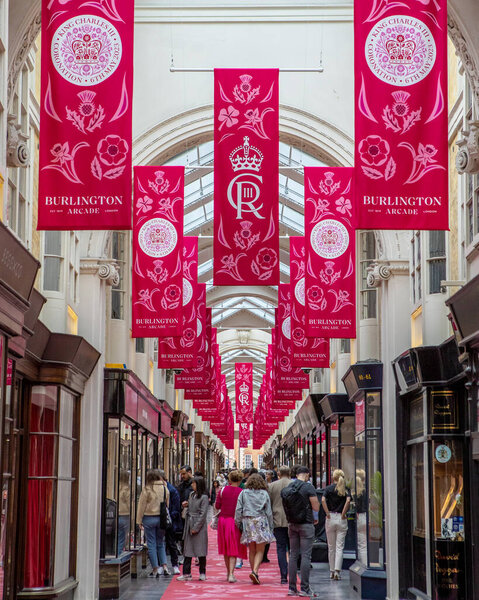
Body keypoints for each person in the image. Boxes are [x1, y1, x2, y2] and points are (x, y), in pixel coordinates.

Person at [282, 466, 320, 598]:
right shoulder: (308, 487)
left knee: (293, 555)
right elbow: (316, 507)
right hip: (306, 524)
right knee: (305, 556)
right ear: (307, 475)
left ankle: (292, 588)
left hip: (292, 524)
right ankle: (304, 588)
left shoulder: (289, 488)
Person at [235, 473, 275, 585]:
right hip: (261, 521)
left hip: (248, 521)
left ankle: (254, 572)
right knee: (260, 549)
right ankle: (255, 571)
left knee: (251, 549)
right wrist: (271, 527)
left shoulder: (243, 493)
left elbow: (238, 509)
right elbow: (268, 512)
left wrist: (238, 522)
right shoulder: (264, 493)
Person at [136, 470, 171, 578]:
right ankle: (165, 566)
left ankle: (155, 568)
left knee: (151, 544)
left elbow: (141, 506)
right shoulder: (165, 489)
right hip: (161, 519)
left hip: (149, 518)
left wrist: (138, 520)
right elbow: (167, 505)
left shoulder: (147, 489)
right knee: (160, 543)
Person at [216, 470, 247, 583]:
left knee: (225, 548)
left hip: (223, 521)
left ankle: (228, 572)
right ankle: (231, 574)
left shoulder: (222, 490)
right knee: (233, 548)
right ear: (239, 480)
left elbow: (217, 505)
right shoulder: (242, 492)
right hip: (234, 521)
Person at [322, 468, 352, 581]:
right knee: (340, 546)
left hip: (330, 518)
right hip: (341, 518)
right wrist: (344, 513)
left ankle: (331, 571)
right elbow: (348, 501)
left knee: (331, 547)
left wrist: (327, 513)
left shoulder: (328, 489)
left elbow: (323, 500)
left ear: (333, 477)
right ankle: (337, 571)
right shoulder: (345, 489)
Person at [177, 476, 209, 581]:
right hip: (189, 523)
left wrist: (196, 527)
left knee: (201, 550)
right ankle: (186, 573)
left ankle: (202, 572)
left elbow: (203, 514)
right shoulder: (192, 495)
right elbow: (191, 508)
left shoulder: (204, 497)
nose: (192, 485)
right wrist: (185, 505)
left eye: (194, 483)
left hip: (198, 526)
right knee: (187, 550)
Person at [268, 465, 292, 584]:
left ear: (278, 474)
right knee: (293, 548)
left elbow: (269, 504)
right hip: (292, 520)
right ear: (290, 473)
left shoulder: (272, 486)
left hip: (277, 519)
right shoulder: (294, 485)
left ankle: (283, 576)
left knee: (281, 548)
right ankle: (292, 574)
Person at [159, 470, 181, 574]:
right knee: (160, 543)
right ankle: (161, 565)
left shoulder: (171, 490)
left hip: (169, 521)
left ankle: (175, 564)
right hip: (161, 520)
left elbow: (176, 506)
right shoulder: (160, 489)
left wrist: (170, 518)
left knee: (171, 543)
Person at [355, 469, 367, 565]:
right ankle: (365, 562)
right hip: (366, 516)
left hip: (359, 517)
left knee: (361, 543)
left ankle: (363, 563)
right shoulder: (365, 491)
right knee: (364, 543)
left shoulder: (356, 493)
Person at [117, 469, 130, 556]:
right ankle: (119, 553)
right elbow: (130, 504)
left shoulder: (116, 487)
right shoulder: (126, 489)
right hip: (125, 514)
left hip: (116, 514)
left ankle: (117, 552)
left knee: (118, 537)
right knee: (122, 537)